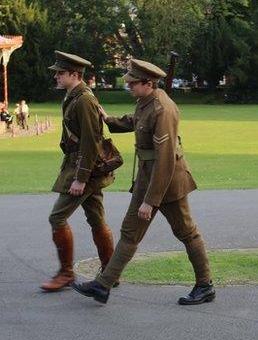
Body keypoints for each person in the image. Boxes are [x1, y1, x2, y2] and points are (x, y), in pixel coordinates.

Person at [72, 59, 215, 305]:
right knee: (130, 232)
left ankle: (205, 286)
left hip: (168, 183)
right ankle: (103, 285)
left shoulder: (164, 109)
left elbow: (165, 161)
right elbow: (134, 121)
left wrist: (150, 201)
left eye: (132, 84)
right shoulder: (145, 102)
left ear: (148, 83)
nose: (129, 88)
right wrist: (108, 119)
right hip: (147, 177)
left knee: (187, 233)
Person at [41, 51, 116, 292]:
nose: (56, 77)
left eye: (60, 73)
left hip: (83, 168)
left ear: (74, 74)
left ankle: (66, 273)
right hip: (82, 166)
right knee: (96, 218)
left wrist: (80, 178)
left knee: (57, 217)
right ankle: (111, 272)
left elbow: (91, 142)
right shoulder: (75, 95)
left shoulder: (84, 99)